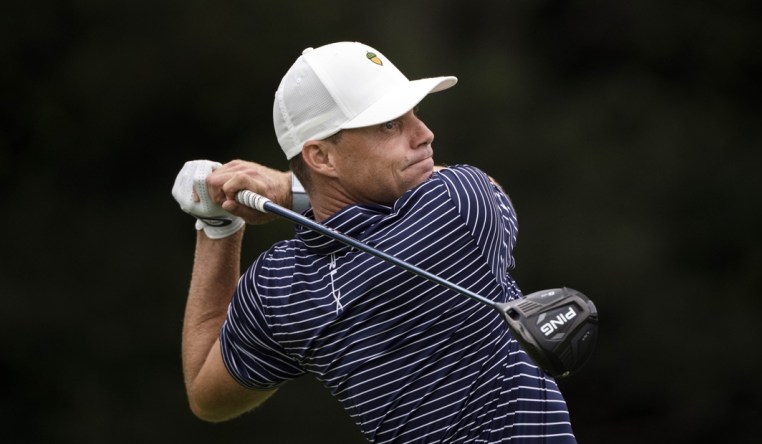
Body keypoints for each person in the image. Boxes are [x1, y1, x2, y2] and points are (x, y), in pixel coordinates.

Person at [172, 41, 577, 443]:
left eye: (414, 114)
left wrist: (217, 224)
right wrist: (284, 189)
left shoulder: (279, 289)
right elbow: (489, 186)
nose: (424, 134)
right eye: (390, 124)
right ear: (321, 157)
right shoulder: (462, 205)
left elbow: (207, 398)